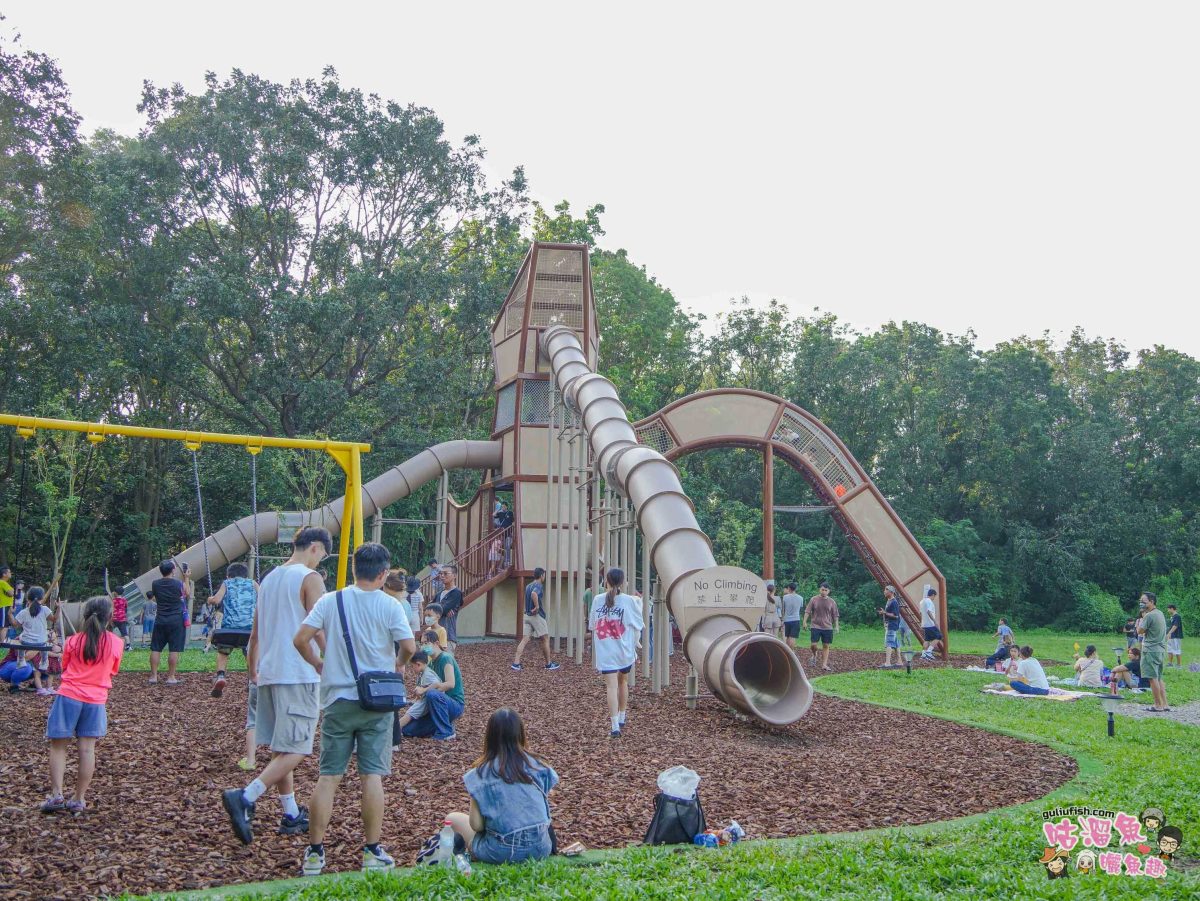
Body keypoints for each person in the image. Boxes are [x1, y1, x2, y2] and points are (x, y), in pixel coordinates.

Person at [292, 542, 416, 876]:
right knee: (371, 776)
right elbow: (409, 646)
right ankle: (372, 851)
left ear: (354, 569)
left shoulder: (331, 601)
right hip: (377, 701)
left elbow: (300, 638)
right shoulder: (390, 606)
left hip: (337, 700)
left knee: (328, 776)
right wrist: (397, 665)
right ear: (383, 572)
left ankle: (315, 853)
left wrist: (319, 663)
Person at [220, 527, 331, 846]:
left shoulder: (268, 579)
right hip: (297, 670)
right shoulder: (309, 579)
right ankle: (246, 796)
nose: (321, 559)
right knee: (298, 747)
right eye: (323, 553)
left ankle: (291, 813)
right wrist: (330, 661)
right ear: (314, 547)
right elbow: (317, 624)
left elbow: (255, 632)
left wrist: (252, 668)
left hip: (268, 670)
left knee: (283, 748)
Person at [41, 595, 123, 815]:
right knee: (87, 749)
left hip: (69, 696)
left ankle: (57, 795)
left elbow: (65, 667)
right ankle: (78, 799)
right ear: (110, 617)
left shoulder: (73, 640)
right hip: (95, 701)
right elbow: (113, 670)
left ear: (85, 615)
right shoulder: (117, 643)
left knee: (59, 746)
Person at [444, 708, 558, 864]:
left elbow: (476, 825)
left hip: (501, 851)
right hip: (541, 848)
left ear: (489, 736)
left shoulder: (480, 774)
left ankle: (457, 859)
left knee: (452, 819)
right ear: (521, 733)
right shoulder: (538, 766)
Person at [589, 567, 643, 738]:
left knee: (610, 686)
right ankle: (622, 717)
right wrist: (636, 644)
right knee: (623, 682)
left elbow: (592, 625)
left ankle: (614, 727)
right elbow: (638, 625)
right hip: (624, 649)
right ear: (623, 582)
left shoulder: (597, 600)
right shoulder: (630, 601)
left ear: (606, 581)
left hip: (606, 651)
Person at [400, 630, 465, 741]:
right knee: (407, 730)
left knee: (432, 693)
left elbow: (450, 684)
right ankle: (443, 723)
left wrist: (424, 690)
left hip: (454, 704)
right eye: (422, 643)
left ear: (436, 643)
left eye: (426, 643)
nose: (423, 646)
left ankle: (446, 732)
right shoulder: (430, 663)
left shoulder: (446, 658)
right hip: (435, 705)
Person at [207, 562, 258, 699]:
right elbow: (265, 598)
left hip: (229, 628)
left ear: (228, 575)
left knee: (223, 652)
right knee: (250, 652)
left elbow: (217, 600)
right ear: (246, 575)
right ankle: (251, 680)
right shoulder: (253, 583)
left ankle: (221, 676)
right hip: (249, 628)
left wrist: (210, 599)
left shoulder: (227, 583)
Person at [512, 568, 560, 672]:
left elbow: (529, 596)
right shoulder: (538, 586)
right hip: (536, 617)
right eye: (544, 575)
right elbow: (534, 594)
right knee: (545, 639)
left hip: (527, 615)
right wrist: (537, 607)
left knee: (524, 639)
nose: (544, 577)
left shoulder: (528, 586)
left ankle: (516, 663)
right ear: (542, 575)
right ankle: (548, 664)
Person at [147, 560, 187, 685]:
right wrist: (186, 578)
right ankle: (171, 677)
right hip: (176, 620)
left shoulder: (155, 584)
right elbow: (187, 593)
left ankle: (153, 676)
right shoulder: (178, 584)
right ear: (173, 570)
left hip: (160, 619)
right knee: (174, 649)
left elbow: (154, 597)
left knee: (156, 648)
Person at [15, 586, 56, 695]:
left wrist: (10, 614)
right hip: (41, 641)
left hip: (26, 642)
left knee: (21, 640)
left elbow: (15, 625)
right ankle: (44, 662)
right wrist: (59, 608)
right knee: (44, 646)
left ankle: (21, 660)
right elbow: (54, 619)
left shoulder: (23, 612)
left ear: (28, 599)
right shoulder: (45, 610)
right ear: (41, 599)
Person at [393, 650, 438, 742]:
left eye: (412, 666)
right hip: (424, 699)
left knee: (410, 713)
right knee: (410, 719)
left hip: (427, 700)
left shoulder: (428, 674)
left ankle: (393, 730)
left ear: (418, 664)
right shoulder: (422, 673)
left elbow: (437, 684)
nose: (412, 669)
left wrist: (423, 691)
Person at [1136, 591, 1169, 712]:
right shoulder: (1160, 613)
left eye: (1143, 601)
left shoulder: (1149, 616)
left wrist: (1141, 619)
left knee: (1152, 678)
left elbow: (1139, 631)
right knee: (1158, 677)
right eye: (1140, 601)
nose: (1141, 603)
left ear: (1151, 602)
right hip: (1160, 650)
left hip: (1150, 650)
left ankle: (1157, 705)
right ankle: (1165, 704)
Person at [801, 582, 839, 671]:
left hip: (827, 627)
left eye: (826, 590)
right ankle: (814, 655)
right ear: (819, 589)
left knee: (826, 645)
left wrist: (836, 626)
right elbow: (807, 611)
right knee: (813, 645)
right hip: (815, 625)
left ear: (829, 591)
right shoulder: (813, 599)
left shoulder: (832, 602)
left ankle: (824, 664)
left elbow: (835, 615)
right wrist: (804, 622)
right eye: (822, 589)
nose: (824, 592)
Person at [434, 565, 463, 652]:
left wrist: (440, 608)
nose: (442, 576)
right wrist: (440, 608)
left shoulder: (456, 593)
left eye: (445, 573)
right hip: (435, 635)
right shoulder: (439, 593)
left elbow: (441, 609)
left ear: (454, 575)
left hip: (448, 636)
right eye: (441, 573)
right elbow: (430, 609)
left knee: (447, 664)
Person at [876, 585, 901, 668]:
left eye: (886, 590)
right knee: (896, 644)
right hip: (890, 625)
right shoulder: (889, 601)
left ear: (891, 592)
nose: (884, 591)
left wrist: (885, 613)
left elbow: (895, 615)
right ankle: (899, 661)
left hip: (892, 625)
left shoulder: (894, 602)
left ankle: (887, 663)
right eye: (884, 589)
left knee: (888, 644)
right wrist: (884, 614)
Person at [919, 589, 943, 661]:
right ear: (933, 595)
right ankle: (929, 652)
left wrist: (922, 622)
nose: (934, 598)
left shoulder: (922, 601)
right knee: (939, 636)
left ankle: (923, 654)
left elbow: (921, 613)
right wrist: (934, 621)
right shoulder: (929, 601)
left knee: (927, 639)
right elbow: (929, 611)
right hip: (930, 623)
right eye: (934, 596)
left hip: (925, 623)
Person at [781, 583, 804, 648]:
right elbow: (801, 607)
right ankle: (791, 651)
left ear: (789, 588)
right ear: (795, 589)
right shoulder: (800, 598)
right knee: (793, 637)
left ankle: (788, 651)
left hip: (787, 619)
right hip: (796, 619)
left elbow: (783, 608)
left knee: (788, 636)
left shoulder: (785, 597)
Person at [1165, 604, 1183, 668]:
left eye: (1168, 609)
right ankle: (1170, 663)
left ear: (1172, 608)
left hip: (1176, 636)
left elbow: (1175, 626)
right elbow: (1170, 626)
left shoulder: (1177, 616)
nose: (1168, 611)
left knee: (1177, 650)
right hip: (1171, 636)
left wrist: (1169, 633)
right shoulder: (1172, 617)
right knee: (1169, 650)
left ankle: (1179, 665)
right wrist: (1168, 634)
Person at [0, 565, 16, 632]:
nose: (10, 573)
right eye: (9, 572)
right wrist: (12, 590)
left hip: (5, 606)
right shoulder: (3, 582)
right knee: (4, 626)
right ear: (4, 574)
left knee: (5, 625)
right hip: (4, 606)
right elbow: (11, 593)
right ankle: (2, 642)